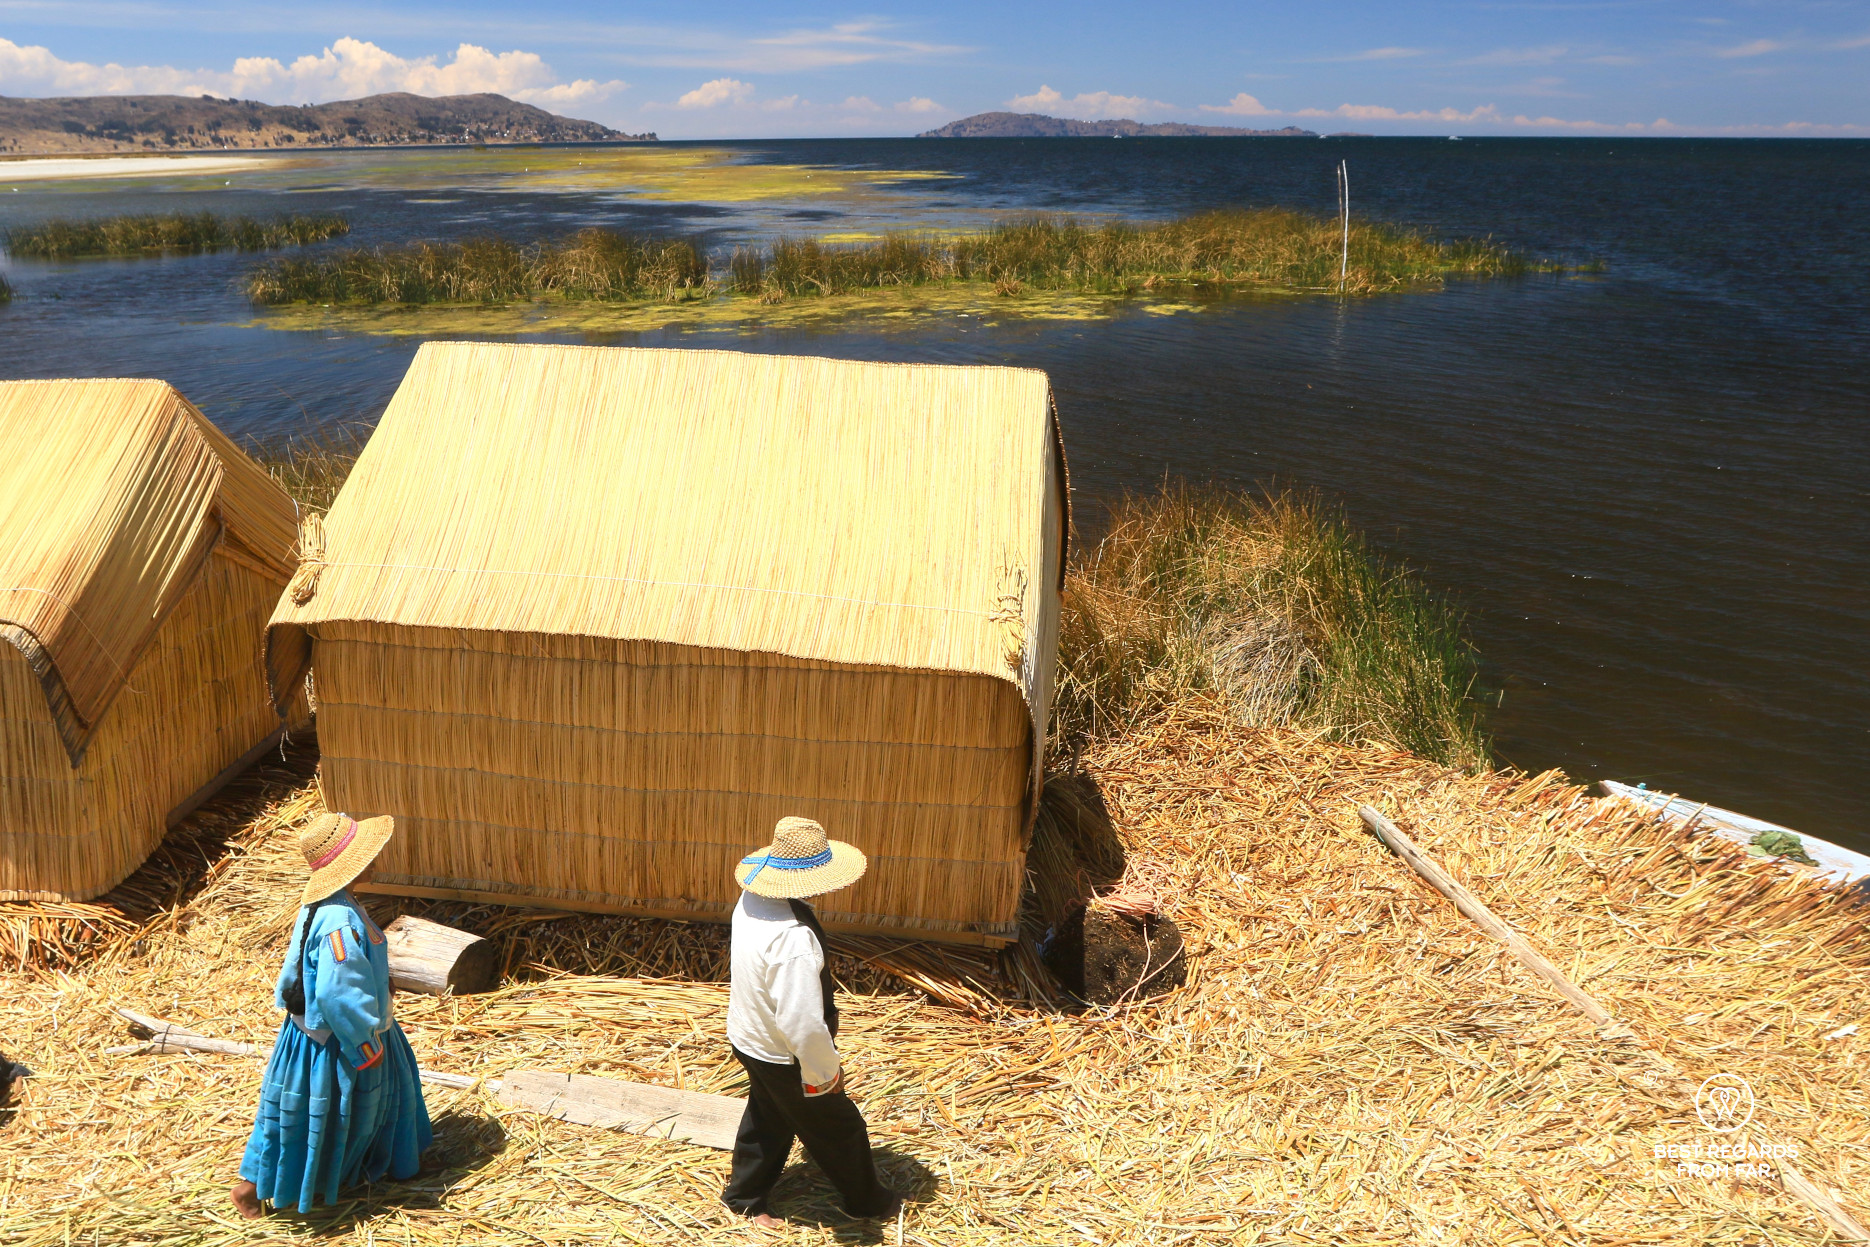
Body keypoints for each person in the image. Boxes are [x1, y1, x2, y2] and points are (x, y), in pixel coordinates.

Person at [232, 813, 433, 1218]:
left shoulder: (330, 905)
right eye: (367, 854)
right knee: (314, 1116)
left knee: (367, 1107)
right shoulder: (339, 920)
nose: (375, 859)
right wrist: (364, 1042)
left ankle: (386, 1166)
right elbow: (335, 992)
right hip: (337, 1039)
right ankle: (251, 1190)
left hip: (338, 1029)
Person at [723, 816, 901, 1228]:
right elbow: (801, 1023)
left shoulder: (751, 899)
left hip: (748, 1036)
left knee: (768, 1115)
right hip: (783, 1054)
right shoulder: (793, 939)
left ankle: (745, 1197)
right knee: (838, 1127)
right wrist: (823, 1073)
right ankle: (868, 1202)